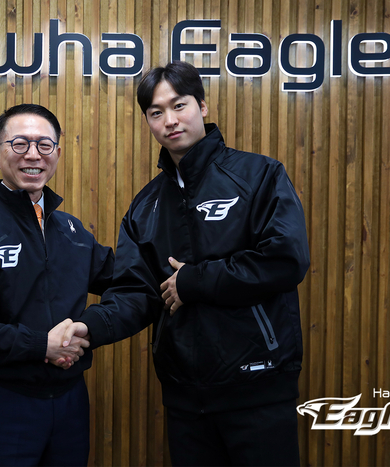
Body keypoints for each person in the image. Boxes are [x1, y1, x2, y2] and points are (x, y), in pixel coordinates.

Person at [63, 61, 310, 466]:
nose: (170, 120)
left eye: (179, 105)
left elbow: (285, 259)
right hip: (185, 398)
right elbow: (135, 292)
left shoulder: (260, 175)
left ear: (202, 106)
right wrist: (89, 327)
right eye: (156, 112)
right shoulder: (145, 206)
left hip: (260, 387)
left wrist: (194, 280)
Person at [0, 103, 114, 466]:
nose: (33, 155)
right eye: (20, 144)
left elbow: (125, 281)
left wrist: (91, 326)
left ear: (57, 154)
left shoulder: (73, 232)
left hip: (71, 401)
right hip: (3, 402)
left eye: (44, 145)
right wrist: (40, 345)